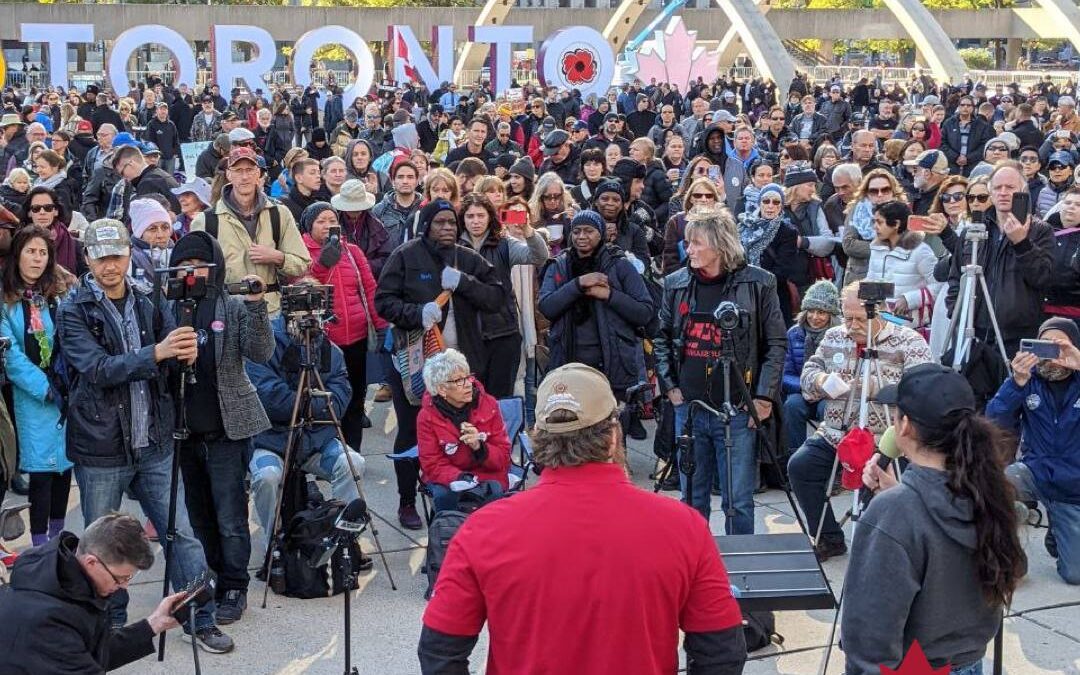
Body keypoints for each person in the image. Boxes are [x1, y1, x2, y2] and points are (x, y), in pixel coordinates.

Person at [418, 363, 747, 674]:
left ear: (537, 441)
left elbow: (439, 650)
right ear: (613, 437)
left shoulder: (483, 529)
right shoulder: (683, 526)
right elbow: (722, 650)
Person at [57, 219, 234, 652]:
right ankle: (108, 625)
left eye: (116, 256)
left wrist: (182, 355)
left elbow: (167, 358)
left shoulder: (149, 295)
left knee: (182, 533)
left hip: (153, 439)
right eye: (101, 258)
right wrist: (157, 352)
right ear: (88, 259)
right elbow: (97, 370)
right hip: (101, 448)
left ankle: (199, 616)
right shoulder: (72, 307)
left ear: (127, 254)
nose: (110, 266)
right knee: (99, 544)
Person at [843, 364, 1027, 674]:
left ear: (905, 427)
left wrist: (897, 502)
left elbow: (870, 632)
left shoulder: (894, 513)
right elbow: (1014, 568)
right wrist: (901, 493)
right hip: (968, 662)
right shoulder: (989, 492)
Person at [374, 200, 505, 530]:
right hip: (415, 363)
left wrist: (464, 283)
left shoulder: (467, 258)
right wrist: (415, 313)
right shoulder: (405, 255)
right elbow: (383, 301)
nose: (447, 228)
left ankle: (461, 489)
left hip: (463, 365)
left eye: (452, 223)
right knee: (410, 431)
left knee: (467, 431)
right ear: (426, 225)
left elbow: (497, 297)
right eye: (440, 223)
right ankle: (407, 501)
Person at [653, 207, 787, 530]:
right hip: (690, 408)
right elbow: (661, 338)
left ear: (720, 244)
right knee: (691, 500)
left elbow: (775, 344)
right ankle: (695, 569)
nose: (690, 250)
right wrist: (670, 386)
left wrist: (764, 398)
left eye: (697, 243)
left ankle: (741, 570)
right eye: (688, 242)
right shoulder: (675, 283)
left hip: (737, 408)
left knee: (737, 501)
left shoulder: (759, 282)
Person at [167, 230, 274, 625]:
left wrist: (258, 305)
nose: (192, 270)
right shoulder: (169, 306)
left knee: (230, 516)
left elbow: (261, 352)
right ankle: (209, 575)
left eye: (199, 262)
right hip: (183, 429)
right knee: (199, 516)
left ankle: (234, 585)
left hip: (228, 427)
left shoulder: (230, 305)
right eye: (184, 263)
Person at [787, 281, 931, 560]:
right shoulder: (833, 336)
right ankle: (828, 536)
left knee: (877, 490)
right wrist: (821, 380)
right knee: (800, 467)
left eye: (859, 319)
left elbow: (922, 388)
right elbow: (809, 370)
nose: (852, 325)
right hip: (836, 431)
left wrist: (870, 386)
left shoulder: (909, 341)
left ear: (878, 314)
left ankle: (885, 546)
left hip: (887, 436)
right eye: (847, 316)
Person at [246, 284, 368, 553]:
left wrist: (307, 405)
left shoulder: (329, 349)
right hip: (272, 439)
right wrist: (312, 404)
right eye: (302, 307)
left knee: (353, 464)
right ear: (288, 307)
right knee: (266, 476)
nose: (309, 315)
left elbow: (340, 394)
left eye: (315, 307)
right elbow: (268, 397)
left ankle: (343, 543)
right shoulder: (265, 344)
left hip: (317, 440)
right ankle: (275, 545)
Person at [0, 513, 187, 673]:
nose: (123, 587)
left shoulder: (63, 578)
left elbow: (93, 652)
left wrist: (154, 624)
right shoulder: (50, 621)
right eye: (120, 578)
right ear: (91, 563)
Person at [988, 318, 1080, 585]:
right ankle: (1011, 556)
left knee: (1074, 575)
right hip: (1034, 472)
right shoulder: (1028, 380)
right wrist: (1015, 382)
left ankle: (1058, 532)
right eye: (1043, 346)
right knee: (991, 486)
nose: (1050, 356)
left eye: (1058, 346)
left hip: (1074, 486)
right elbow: (994, 424)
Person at [0, 226, 76, 548]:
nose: (37, 258)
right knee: (42, 473)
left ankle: (58, 541)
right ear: (18, 254)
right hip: (34, 396)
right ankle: (40, 544)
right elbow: (10, 355)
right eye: (31, 251)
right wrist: (44, 387)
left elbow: (73, 335)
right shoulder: (6, 299)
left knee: (64, 468)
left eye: (43, 252)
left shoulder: (59, 294)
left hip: (65, 390)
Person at [539, 209, 653, 405]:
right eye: (576, 231)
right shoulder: (560, 265)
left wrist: (610, 296)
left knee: (611, 430)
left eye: (588, 231)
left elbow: (644, 312)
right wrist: (578, 285)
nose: (581, 236)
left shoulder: (619, 264)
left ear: (601, 233)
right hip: (568, 363)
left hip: (613, 365)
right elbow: (547, 307)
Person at [945, 162, 1054, 358]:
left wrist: (1021, 242)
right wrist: (956, 312)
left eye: (1010, 187)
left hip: (1017, 337)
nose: (1003, 192)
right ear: (990, 192)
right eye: (997, 187)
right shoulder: (973, 230)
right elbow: (955, 278)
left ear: (1023, 191)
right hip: (973, 332)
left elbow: (1043, 278)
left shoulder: (1040, 230)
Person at [301, 202, 386, 448]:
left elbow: (370, 289)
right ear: (309, 225)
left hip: (357, 336)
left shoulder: (352, 251)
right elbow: (302, 284)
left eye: (331, 220)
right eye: (321, 221)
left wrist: (381, 327)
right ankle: (328, 453)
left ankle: (353, 453)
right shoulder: (302, 250)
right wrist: (322, 264)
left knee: (356, 397)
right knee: (326, 399)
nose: (328, 226)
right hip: (324, 338)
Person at [189, 147, 311, 317]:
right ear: (229, 175)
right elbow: (194, 275)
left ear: (258, 174)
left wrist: (277, 257)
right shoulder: (205, 221)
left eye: (250, 170)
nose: (244, 176)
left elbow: (303, 264)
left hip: (270, 313)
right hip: (227, 314)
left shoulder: (279, 213)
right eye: (238, 170)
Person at [458, 193, 548, 398]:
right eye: (470, 216)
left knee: (501, 400)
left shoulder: (504, 244)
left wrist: (527, 229)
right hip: (467, 336)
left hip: (502, 333)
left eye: (480, 215)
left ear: (490, 217)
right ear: (462, 219)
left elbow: (539, 256)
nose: (476, 221)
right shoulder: (453, 247)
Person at [416, 349, 511, 512]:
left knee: (494, 493)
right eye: (459, 380)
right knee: (445, 497)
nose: (468, 384)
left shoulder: (489, 404)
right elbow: (432, 464)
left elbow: (503, 457)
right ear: (442, 389)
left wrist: (480, 447)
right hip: (450, 479)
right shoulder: (427, 417)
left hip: (487, 474)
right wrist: (459, 477)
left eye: (468, 377)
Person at [782, 280, 842, 452]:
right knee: (792, 406)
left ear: (831, 314)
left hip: (830, 394)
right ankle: (795, 455)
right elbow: (785, 374)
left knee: (829, 409)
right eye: (811, 311)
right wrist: (806, 387)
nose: (815, 317)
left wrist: (823, 389)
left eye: (821, 312)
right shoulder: (794, 334)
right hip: (802, 391)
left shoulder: (840, 335)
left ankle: (828, 456)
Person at [865, 200, 941, 328]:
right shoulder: (876, 248)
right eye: (874, 222)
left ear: (896, 224)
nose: (875, 227)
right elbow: (871, 279)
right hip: (879, 321)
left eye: (879, 222)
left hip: (909, 324)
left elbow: (939, 284)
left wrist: (909, 299)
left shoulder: (920, 250)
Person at [842, 168, 908, 285]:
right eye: (874, 191)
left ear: (893, 191)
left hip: (895, 275)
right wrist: (884, 248)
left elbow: (907, 244)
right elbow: (848, 244)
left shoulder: (903, 211)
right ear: (867, 192)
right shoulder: (857, 210)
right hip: (861, 275)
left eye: (885, 190)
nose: (880, 194)